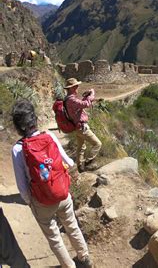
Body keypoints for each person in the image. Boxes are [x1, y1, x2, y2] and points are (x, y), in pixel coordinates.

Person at [10, 99, 92, 268]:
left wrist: (30, 201)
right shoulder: (50, 136)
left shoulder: (18, 149)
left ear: (18, 126)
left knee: (54, 238)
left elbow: (22, 185)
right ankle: (85, 259)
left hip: (41, 201)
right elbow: (68, 162)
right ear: (35, 119)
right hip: (62, 193)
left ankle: (69, 266)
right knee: (72, 227)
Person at [63, 78, 102, 172]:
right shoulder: (71, 100)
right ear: (71, 88)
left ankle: (80, 167)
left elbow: (80, 105)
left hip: (77, 127)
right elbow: (86, 104)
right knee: (97, 144)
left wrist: (86, 97)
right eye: (76, 86)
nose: (77, 87)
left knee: (81, 147)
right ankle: (89, 163)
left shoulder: (68, 99)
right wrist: (91, 95)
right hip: (81, 127)